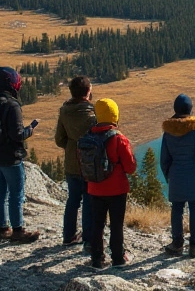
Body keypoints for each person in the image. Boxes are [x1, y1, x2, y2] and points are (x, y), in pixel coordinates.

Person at [0, 66, 41, 243]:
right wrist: (29, 130)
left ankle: (2, 229)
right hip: (11, 156)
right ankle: (18, 231)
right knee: (16, 195)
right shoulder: (11, 105)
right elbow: (17, 134)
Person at [160, 93, 195, 256]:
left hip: (176, 176)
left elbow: (164, 159)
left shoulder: (168, 131)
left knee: (177, 207)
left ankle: (177, 243)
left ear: (175, 109)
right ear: (190, 109)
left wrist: (169, 176)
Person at [85, 98, 137, 268]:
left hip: (94, 188)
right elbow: (130, 167)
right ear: (115, 115)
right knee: (116, 225)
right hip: (116, 190)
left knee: (97, 225)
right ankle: (118, 258)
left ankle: (96, 260)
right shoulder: (118, 138)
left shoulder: (88, 137)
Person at [54, 75, 96, 248]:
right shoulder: (93, 113)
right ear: (87, 92)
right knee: (88, 200)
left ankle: (68, 235)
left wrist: (72, 147)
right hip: (90, 164)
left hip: (71, 162)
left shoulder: (64, 111)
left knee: (73, 199)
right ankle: (88, 238)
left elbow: (59, 139)